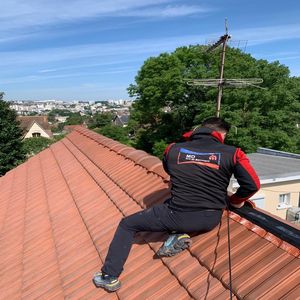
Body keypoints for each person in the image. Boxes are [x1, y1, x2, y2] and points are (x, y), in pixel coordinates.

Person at [93, 117, 260, 292]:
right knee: (168, 207)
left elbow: (169, 170)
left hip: (175, 215)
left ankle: (109, 277)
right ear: (222, 134)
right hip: (210, 218)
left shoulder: (172, 149)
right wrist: (235, 201)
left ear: (198, 129)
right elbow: (252, 184)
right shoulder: (233, 153)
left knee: (127, 225)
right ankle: (176, 235)